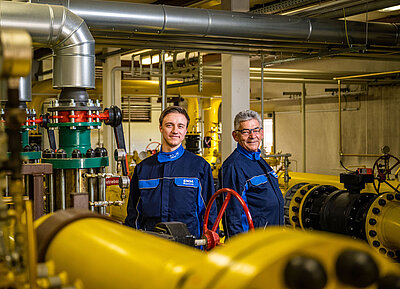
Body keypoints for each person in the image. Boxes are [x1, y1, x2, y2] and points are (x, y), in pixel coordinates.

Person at [125, 106, 217, 239]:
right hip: (151, 246)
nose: (175, 131)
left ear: (185, 130)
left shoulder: (199, 167)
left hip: (189, 247)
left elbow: (210, 211)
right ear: (161, 128)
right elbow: (133, 214)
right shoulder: (143, 169)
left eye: (180, 126)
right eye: (169, 125)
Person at [220, 109, 284, 238]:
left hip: (272, 236)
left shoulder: (260, 161)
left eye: (255, 130)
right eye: (245, 132)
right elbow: (233, 214)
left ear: (261, 133)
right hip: (254, 241)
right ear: (235, 136)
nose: (252, 136)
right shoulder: (233, 166)